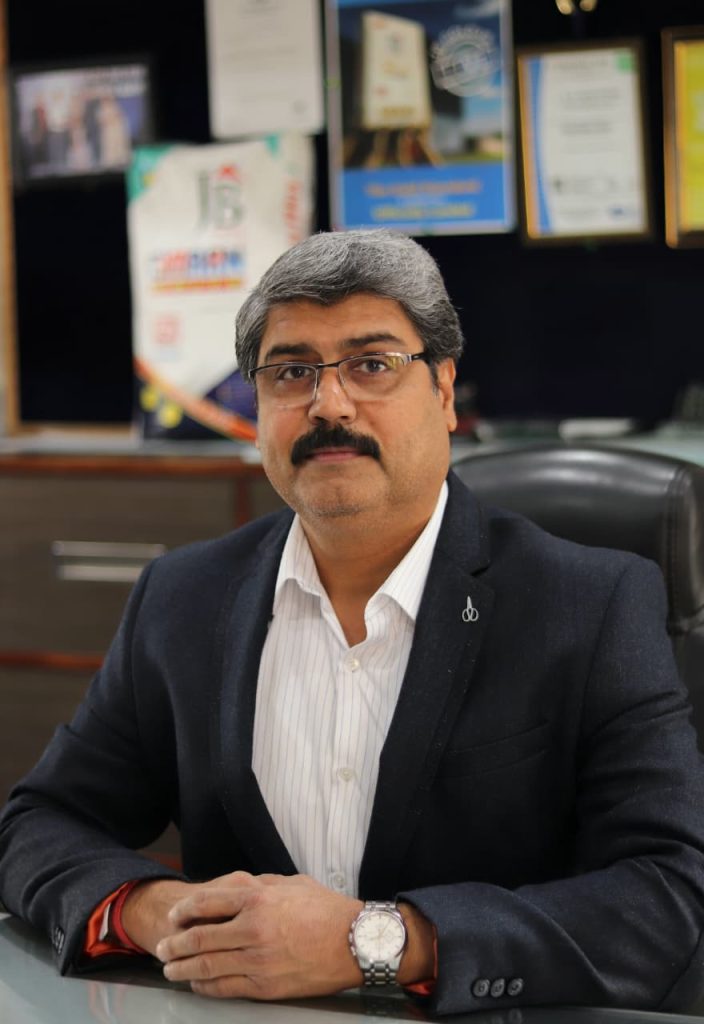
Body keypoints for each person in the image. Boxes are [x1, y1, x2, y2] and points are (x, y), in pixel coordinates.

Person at [1, 229, 704, 1017]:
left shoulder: (591, 603)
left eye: (372, 364)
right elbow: (39, 822)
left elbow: (667, 897)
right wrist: (157, 911)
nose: (328, 404)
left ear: (443, 391)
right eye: (291, 372)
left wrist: (380, 942)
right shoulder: (184, 597)